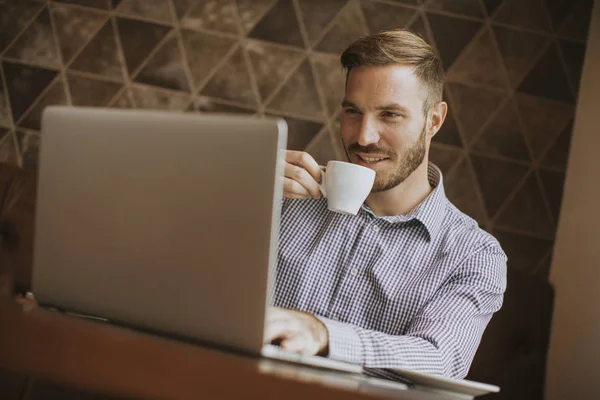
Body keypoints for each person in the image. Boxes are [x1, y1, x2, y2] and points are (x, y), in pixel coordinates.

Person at [264, 29, 507, 381]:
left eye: (390, 115)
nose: (364, 136)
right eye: (353, 111)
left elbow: (439, 358)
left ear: (433, 121)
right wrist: (244, 187)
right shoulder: (285, 194)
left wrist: (323, 334)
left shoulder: (474, 255)